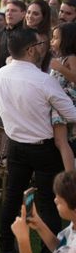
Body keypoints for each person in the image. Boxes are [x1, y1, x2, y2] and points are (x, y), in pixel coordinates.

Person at [0, 28, 76, 253]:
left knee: (12, 195)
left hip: (16, 145)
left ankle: (6, 247)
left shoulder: (0, 74)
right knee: (47, 201)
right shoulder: (43, 80)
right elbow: (72, 114)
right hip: (42, 148)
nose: (43, 48)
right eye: (39, 45)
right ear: (30, 50)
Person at [49, 23, 76, 171]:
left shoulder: (70, 58)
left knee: (61, 141)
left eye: (55, 38)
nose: (52, 41)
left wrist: (60, 68)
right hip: (59, 103)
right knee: (60, 141)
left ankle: (70, 176)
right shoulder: (61, 58)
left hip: (64, 102)